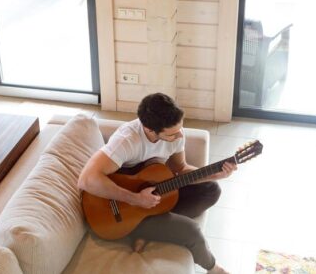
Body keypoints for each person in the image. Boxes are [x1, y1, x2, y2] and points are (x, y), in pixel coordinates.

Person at [78, 93, 236, 274]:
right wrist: (135, 199)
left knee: (211, 190)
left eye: (180, 129)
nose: (179, 136)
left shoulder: (177, 135)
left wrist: (215, 174)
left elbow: (181, 169)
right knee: (191, 231)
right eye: (172, 134)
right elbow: (86, 179)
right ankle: (213, 268)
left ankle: (150, 229)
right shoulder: (126, 140)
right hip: (118, 213)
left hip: (149, 197)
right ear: (150, 129)